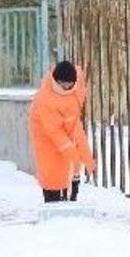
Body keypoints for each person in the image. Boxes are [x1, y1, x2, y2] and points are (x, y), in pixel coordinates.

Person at [28, 60, 96, 203]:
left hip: (66, 129)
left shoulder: (76, 89)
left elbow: (75, 124)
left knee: (70, 166)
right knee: (52, 172)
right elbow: (54, 131)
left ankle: (69, 197)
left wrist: (86, 157)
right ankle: (52, 203)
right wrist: (73, 153)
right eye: (63, 83)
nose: (67, 87)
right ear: (56, 80)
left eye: (69, 83)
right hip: (45, 135)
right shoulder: (45, 99)